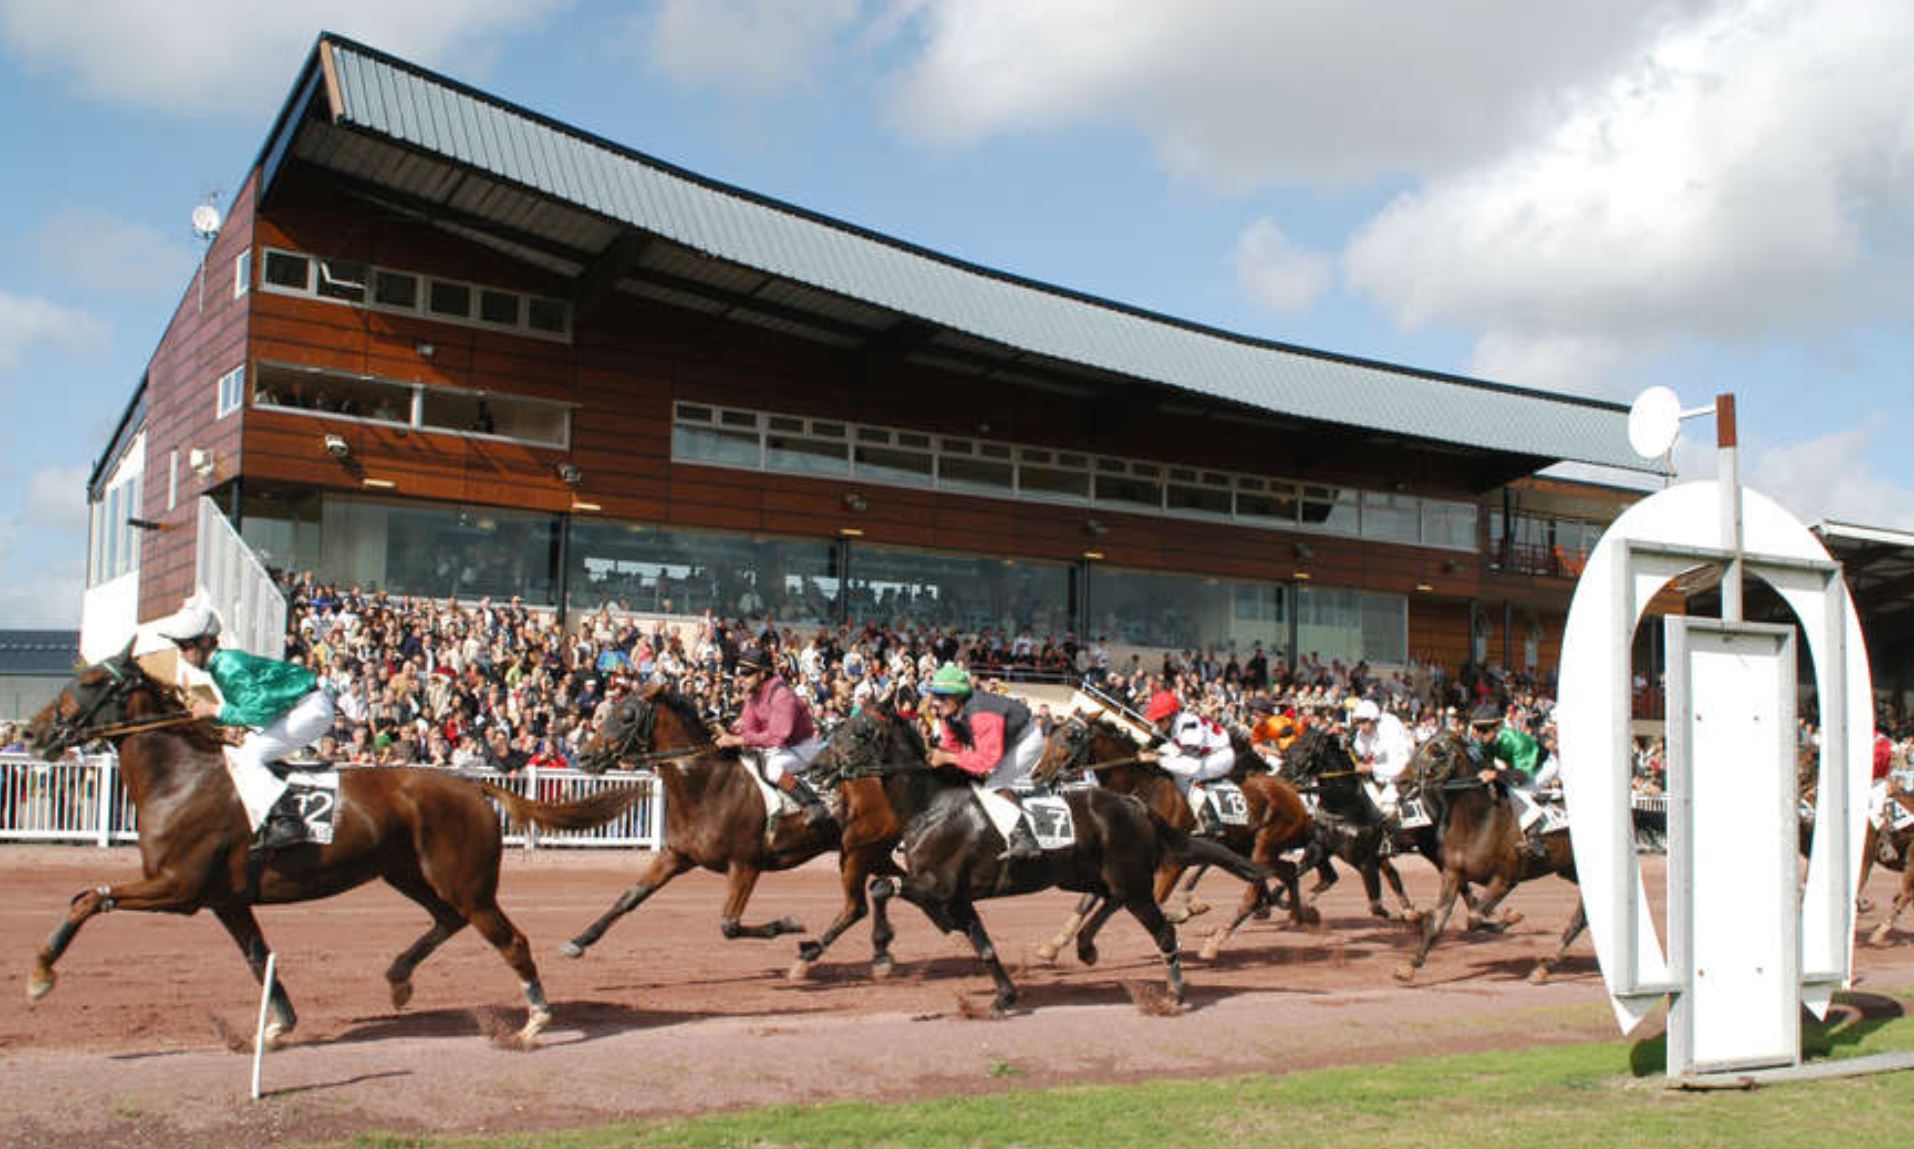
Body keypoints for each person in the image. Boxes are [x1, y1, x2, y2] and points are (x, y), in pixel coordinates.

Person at [147, 595, 335, 852]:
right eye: (179, 647)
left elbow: (258, 711)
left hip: (309, 708)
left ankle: (288, 822)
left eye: (185, 646)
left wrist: (212, 709)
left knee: (247, 756)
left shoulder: (226, 665)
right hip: (300, 706)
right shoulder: (221, 665)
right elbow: (256, 708)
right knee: (242, 749)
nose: (182, 654)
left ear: (204, 642)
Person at [922, 663, 1043, 861]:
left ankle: (1027, 840)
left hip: (1026, 740)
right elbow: (951, 748)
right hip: (1002, 742)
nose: (935, 702)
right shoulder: (950, 714)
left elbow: (985, 761)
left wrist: (948, 758)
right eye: (934, 696)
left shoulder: (982, 713)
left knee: (993, 787)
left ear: (957, 697)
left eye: (941, 697)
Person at [713, 645, 830, 827]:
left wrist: (737, 739)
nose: (742, 678)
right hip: (780, 746)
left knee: (773, 769)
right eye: (740, 674)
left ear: (762, 674)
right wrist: (727, 732)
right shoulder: (752, 695)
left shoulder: (782, 695)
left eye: (747, 673)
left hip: (801, 746)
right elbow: (748, 727)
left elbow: (778, 736)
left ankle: (813, 805)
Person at [1143, 688, 1234, 836]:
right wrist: (1145, 749)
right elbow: (1155, 739)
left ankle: (1211, 820)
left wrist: (1157, 758)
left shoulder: (1188, 724)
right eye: (1155, 719)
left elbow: (1192, 766)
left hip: (1219, 756)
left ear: (1172, 716)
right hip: (1200, 754)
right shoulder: (1168, 723)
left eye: (1160, 720)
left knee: (1186, 776)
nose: (1157, 723)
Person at [1350, 698, 1415, 820]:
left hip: (1400, 777)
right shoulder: (1363, 732)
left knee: (1387, 808)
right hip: (1377, 775)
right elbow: (1359, 750)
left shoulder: (1391, 729)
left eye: (1363, 722)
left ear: (1374, 720)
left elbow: (1399, 766)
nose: (1360, 727)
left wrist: (1370, 768)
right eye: (1357, 723)